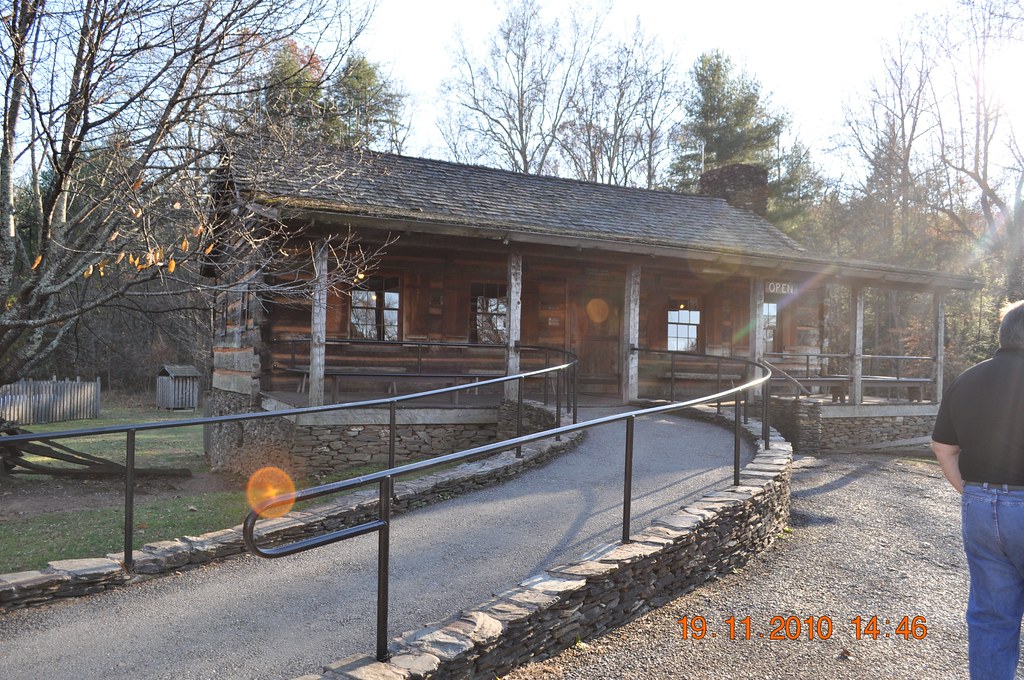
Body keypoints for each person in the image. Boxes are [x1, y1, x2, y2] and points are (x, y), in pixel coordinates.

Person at [932, 299, 1024, 679]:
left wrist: (970, 493)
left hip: (982, 507)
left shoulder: (967, 378)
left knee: (991, 616)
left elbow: (942, 448)